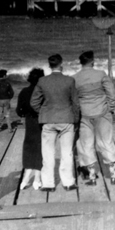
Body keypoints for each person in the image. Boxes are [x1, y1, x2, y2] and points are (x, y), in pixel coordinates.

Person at [30, 54, 80, 192]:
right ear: (61, 65)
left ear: (49, 66)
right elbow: (76, 103)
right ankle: (68, 182)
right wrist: (75, 119)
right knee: (67, 152)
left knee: (47, 153)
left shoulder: (42, 81)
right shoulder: (69, 81)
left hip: (48, 119)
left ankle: (48, 184)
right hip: (66, 119)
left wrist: (43, 112)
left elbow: (33, 102)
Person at [73, 50, 115, 185]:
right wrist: (110, 108)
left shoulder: (75, 78)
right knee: (106, 141)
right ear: (93, 61)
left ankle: (92, 177)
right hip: (102, 112)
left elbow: (74, 100)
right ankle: (113, 175)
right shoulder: (101, 74)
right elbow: (112, 93)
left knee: (86, 144)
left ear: (80, 62)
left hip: (85, 114)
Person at [16, 68, 45, 190]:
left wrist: (24, 114)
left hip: (29, 121)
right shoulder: (43, 92)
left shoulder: (24, 91)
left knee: (28, 148)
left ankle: (25, 180)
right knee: (40, 148)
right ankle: (37, 180)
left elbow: (19, 110)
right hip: (41, 121)